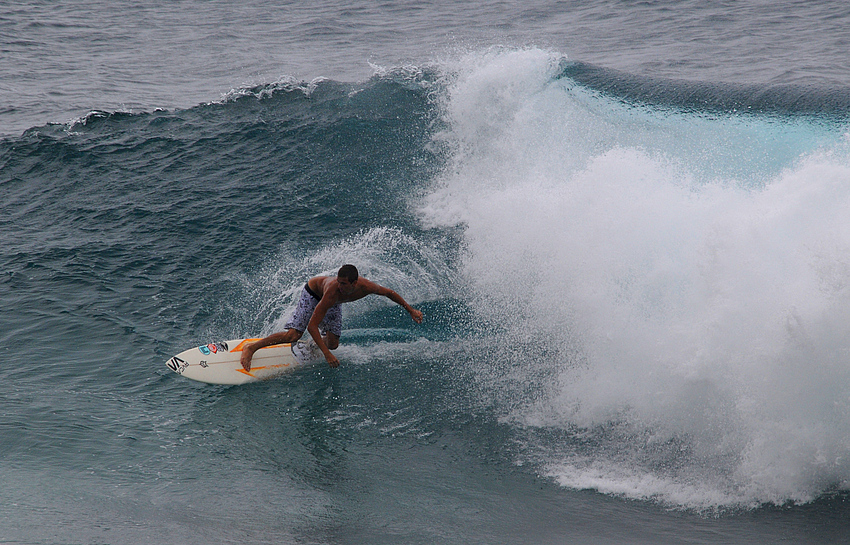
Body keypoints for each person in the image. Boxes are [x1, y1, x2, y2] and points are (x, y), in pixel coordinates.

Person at [240, 264, 423, 370]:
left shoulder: (366, 287)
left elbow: (389, 293)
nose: (340, 285)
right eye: (339, 281)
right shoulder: (332, 292)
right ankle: (251, 348)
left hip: (334, 304)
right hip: (314, 294)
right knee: (293, 336)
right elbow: (312, 326)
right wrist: (326, 355)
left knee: (333, 343)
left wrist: (410, 310)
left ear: (354, 282)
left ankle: (312, 345)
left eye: (344, 283)